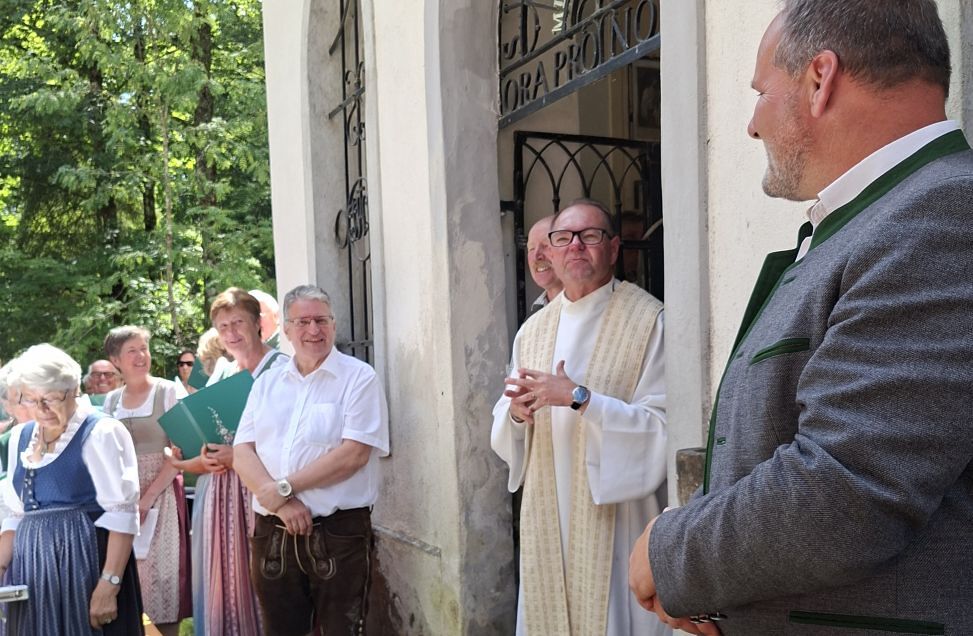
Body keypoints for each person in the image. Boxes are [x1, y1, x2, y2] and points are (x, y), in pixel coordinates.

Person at [629, 2, 973, 635]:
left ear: (820, 80)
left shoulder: (941, 214)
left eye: (761, 93)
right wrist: (717, 593)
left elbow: (847, 493)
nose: (751, 125)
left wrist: (670, 553)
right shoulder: (878, 221)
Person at [492, 199, 668, 636]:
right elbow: (506, 413)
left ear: (613, 248)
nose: (575, 245)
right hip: (547, 512)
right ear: (551, 253)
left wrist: (580, 398)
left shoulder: (649, 320)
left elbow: (663, 426)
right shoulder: (532, 331)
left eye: (589, 236)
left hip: (616, 515)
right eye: (563, 237)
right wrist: (516, 415)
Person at [234, 284, 389, 636]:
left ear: (333, 324)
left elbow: (354, 454)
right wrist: (283, 504)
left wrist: (284, 488)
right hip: (273, 533)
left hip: (338, 533)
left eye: (321, 320)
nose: (313, 330)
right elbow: (242, 452)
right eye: (302, 322)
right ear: (286, 330)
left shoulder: (359, 377)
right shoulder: (266, 384)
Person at [0, 344, 143, 634]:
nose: (41, 409)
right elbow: (15, 516)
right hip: (33, 570)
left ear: (74, 389)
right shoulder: (19, 438)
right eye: (32, 399)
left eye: (51, 398)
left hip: (86, 567)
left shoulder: (101, 432)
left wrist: (109, 584)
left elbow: (123, 514)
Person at [170, 288, 286, 636]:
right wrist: (201, 456)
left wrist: (236, 456)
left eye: (238, 323)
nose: (231, 333)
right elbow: (210, 431)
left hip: (258, 487)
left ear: (257, 323)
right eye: (223, 327)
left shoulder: (281, 369)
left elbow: (290, 437)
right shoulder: (223, 372)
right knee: (225, 579)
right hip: (219, 492)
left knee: (263, 579)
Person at [102, 326, 188, 636]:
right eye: (132, 351)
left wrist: (147, 498)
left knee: (162, 581)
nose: (141, 356)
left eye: (144, 349)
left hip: (161, 494)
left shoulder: (168, 392)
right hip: (124, 500)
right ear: (116, 360)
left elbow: (179, 452)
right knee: (128, 576)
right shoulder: (111, 401)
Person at [526, 215, 563, 315]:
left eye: (546, 246)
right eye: (531, 248)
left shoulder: (593, 310)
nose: (536, 256)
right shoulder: (535, 313)